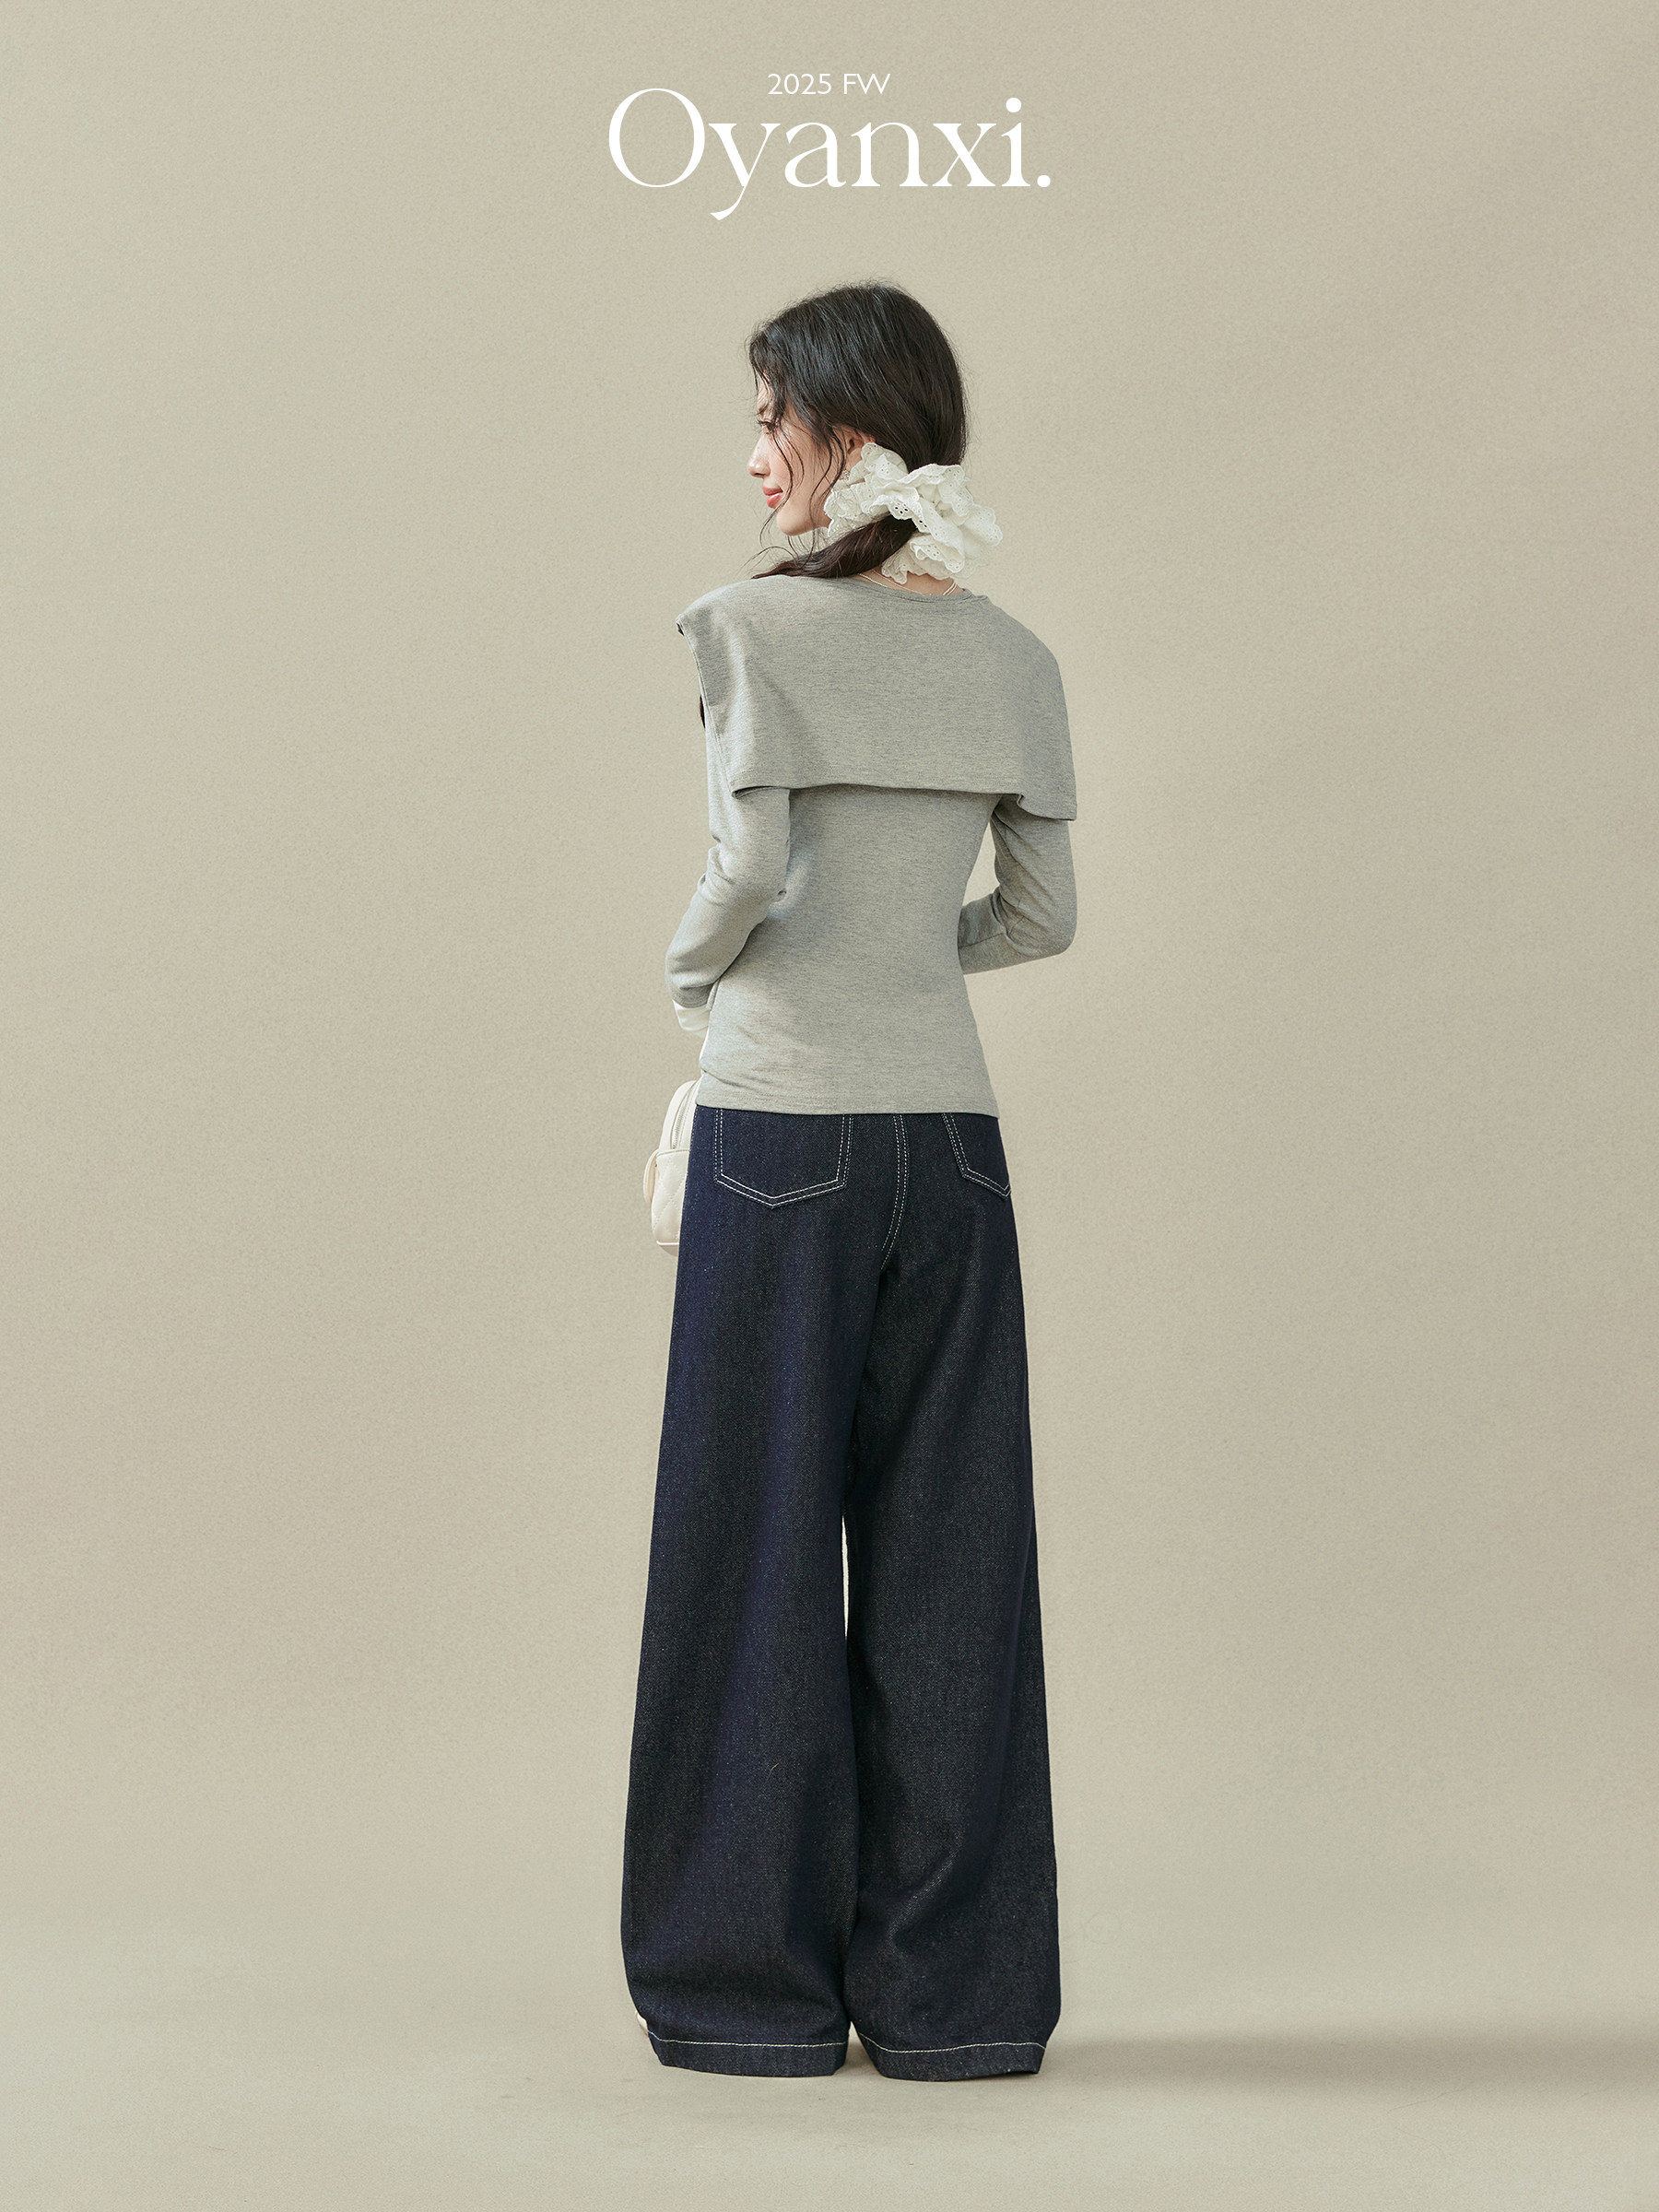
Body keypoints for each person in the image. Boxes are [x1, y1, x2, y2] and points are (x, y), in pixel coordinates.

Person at [620, 282, 1077, 2084]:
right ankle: (963, 2006)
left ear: (848, 431)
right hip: (950, 1148)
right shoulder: (1016, 658)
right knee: (955, 1569)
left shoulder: (746, 628)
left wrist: (695, 984)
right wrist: (906, 963)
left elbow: (744, 874)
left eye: (770, 421)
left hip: (782, 1138)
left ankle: (746, 2001)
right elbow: (1040, 918)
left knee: (748, 1564)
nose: (755, 457)